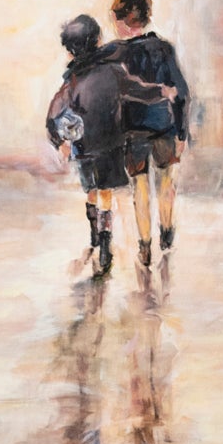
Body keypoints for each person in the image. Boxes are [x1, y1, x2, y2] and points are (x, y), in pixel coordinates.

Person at [45, 14, 169, 269]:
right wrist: (162, 91)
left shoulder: (72, 80)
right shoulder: (113, 70)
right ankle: (104, 243)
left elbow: (54, 113)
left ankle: (97, 237)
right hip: (110, 143)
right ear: (97, 40)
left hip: (83, 146)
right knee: (105, 193)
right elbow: (137, 89)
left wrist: (58, 141)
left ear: (70, 50)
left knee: (91, 191)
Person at [111, 0, 190, 264]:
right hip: (165, 125)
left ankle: (145, 244)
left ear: (124, 21)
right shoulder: (164, 49)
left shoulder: (117, 54)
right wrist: (182, 131)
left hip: (132, 130)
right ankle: (166, 230)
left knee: (140, 186)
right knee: (167, 180)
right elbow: (181, 91)